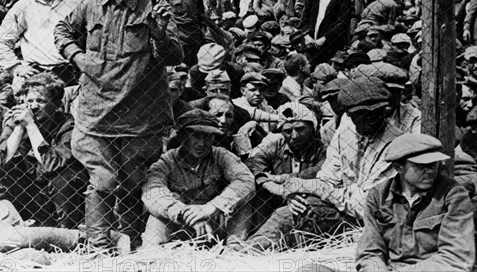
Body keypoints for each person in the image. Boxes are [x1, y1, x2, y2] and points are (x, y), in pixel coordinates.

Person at [54, 0, 183, 252]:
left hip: (139, 114)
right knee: (103, 181)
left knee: (131, 183)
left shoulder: (155, 5)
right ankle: (98, 247)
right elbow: (62, 31)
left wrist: (159, 35)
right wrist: (78, 57)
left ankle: (130, 244)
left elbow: (176, 56)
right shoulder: (90, 5)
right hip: (96, 113)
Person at [243, 77, 403, 251]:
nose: (369, 120)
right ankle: (245, 255)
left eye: (375, 114)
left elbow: (364, 205)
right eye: (360, 115)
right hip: (339, 204)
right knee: (292, 210)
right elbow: (328, 179)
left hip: (373, 220)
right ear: (348, 113)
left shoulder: (396, 143)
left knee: (307, 211)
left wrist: (308, 187)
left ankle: (297, 257)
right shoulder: (347, 128)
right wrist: (298, 194)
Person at [356, 133, 475, 272]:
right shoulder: (378, 196)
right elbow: (370, 252)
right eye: (422, 165)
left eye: (434, 164)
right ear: (398, 167)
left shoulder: (453, 194)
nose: (430, 171)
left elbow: (456, 258)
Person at [141, 110, 254, 248]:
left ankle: (234, 249)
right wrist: (183, 213)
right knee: (158, 212)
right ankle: (152, 252)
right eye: (195, 136)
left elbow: (246, 180)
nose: (201, 143)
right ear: (182, 137)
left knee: (243, 203)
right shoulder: (166, 161)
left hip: (214, 221)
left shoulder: (221, 155)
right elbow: (152, 191)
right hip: (181, 223)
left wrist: (210, 208)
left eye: (207, 137)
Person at [0, 73, 89, 228]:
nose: (34, 106)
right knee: (1, 179)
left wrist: (31, 126)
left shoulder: (67, 125)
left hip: (63, 197)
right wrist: (19, 128)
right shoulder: (17, 120)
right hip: (33, 192)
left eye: (41, 101)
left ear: (56, 104)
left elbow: (51, 165)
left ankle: (67, 230)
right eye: (29, 101)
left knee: (62, 178)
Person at [0, 0, 83, 88]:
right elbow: (1, 41)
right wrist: (17, 67)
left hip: (70, 73)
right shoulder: (22, 6)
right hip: (37, 74)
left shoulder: (74, 3)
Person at [244, 102, 326, 235]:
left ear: (312, 128)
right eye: (288, 131)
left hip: (305, 202)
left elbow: (317, 171)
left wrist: (280, 179)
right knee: (258, 192)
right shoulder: (277, 145)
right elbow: (252, 163)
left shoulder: (322, 150)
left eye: (300, 129)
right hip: (278, 200)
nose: (294, 136)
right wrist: (273, 186)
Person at [299, 0, 352, 66]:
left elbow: (342, 23)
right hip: (310, 44)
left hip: (330, 46)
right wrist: (306, 36)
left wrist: (324, 38)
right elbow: (304, 18)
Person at [158, 0, 207, 66]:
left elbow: (200, 11)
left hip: (195, 35)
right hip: (179, 36)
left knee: (197, 66)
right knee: (182, 67)